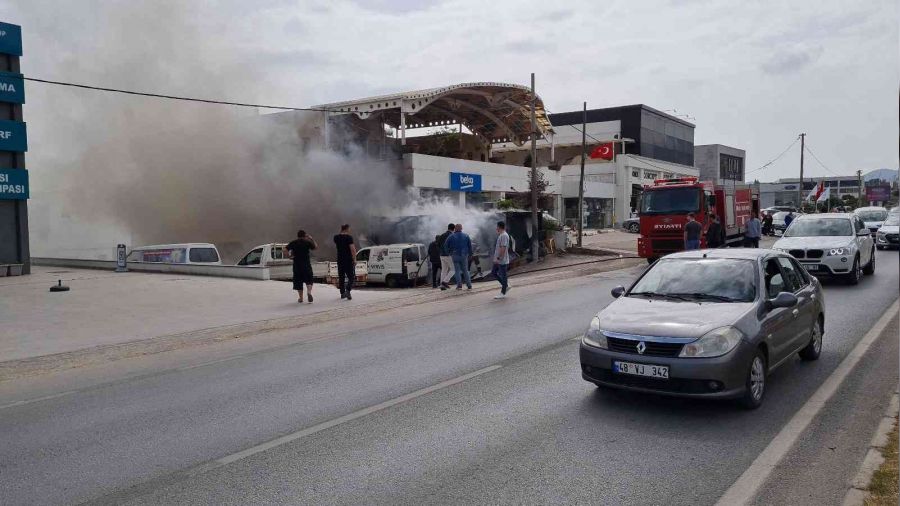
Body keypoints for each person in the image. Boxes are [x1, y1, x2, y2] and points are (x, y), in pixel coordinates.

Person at [285, 230, 317, 303]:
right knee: (309, 279)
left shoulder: (293, 242)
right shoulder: (307, 242)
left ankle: (301, 298)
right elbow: (315, 247)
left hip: (297, 265)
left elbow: (285, 249)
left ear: (298, 236)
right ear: (304, 236)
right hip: (306, 265)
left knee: (298, 281)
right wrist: (311, 239)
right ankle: (309, 292)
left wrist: (289, 256)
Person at [444, 223, 472, 290]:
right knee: (465, 270)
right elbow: (470, 246)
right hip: (464, 255)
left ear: (455, 229)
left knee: (457, 271)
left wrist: (448, 252)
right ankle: (469, 285)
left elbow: (445, 245)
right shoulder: (466, 236)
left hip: (455, 255)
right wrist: (470, 254)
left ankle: (459, 286)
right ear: (461, 228)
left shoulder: (451, 236)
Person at [333, 224, 357, 300]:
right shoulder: (349, 237)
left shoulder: (336, 237)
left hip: (340, 260)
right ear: (347, 229)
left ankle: (342, 293)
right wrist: (354, 259)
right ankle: (348, 290)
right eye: (349, 229)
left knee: (341, 277)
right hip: (348, 260)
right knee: (351, 277)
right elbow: (352, 249)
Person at [492, 221, 511, 299]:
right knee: (494, 273)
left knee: (503, 276)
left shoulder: (504, 236)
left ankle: (503, 292)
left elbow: (503, 248)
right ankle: (506, 285)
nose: (496, 228)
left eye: (497, 227)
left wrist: (499, 258)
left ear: (499, 227)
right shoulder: (501, 235)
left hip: (501, 260)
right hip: (498, 259)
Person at [438, 223, 455, 291]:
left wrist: (441, 251)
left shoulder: (442, 235)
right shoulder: (452, 235)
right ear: (453, 229)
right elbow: (452, 246)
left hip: (441, 255)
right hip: (448, 255)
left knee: (444, 270)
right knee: (453, 269)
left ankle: (442, 285)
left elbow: (438, 244)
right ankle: (445, 281)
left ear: (448, 228)